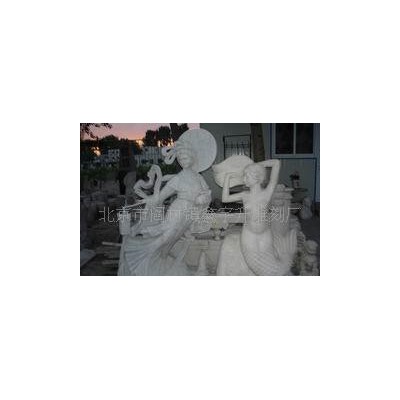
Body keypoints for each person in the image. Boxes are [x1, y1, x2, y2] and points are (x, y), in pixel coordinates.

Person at [118, 130, 215, 276]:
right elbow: (160, 198)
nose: (183, 160)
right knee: (166, 236)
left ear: (192, 157)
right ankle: (141, 257)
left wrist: (203, 199)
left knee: (172, 240)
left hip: (190, 213)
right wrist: (147, 199)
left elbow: (207, 193)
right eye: (180, 158)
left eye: (185, 157)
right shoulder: (178, 179)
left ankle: (160, 261)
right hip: (179, 210)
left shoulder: (198, 177)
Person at [220, 159, 296, 275]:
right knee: (254, 264)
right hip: (249, 234)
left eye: (246, 176)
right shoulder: (245, 195)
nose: (244, 179)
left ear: (256, 177)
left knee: (270, 263)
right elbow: (225, 199)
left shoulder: (267, 193)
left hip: (265, 233)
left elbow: (276, 163)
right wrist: (227, 178)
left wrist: (257, 165)